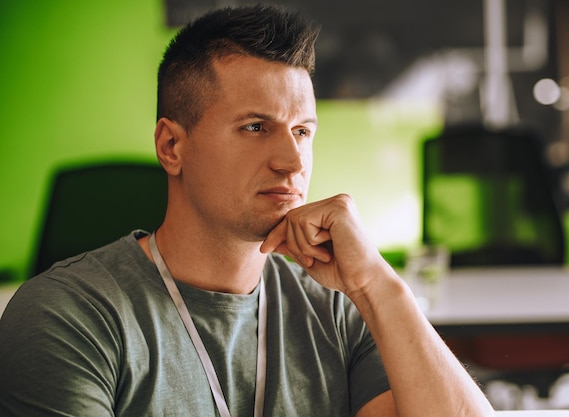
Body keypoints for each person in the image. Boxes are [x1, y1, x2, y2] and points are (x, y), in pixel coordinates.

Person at [0, 5, 494, 416]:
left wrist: (379, 285)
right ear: (171, 145)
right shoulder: (68, 317)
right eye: (256, 127)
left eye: (302, 131)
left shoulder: (341, 309)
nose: (293, 161)